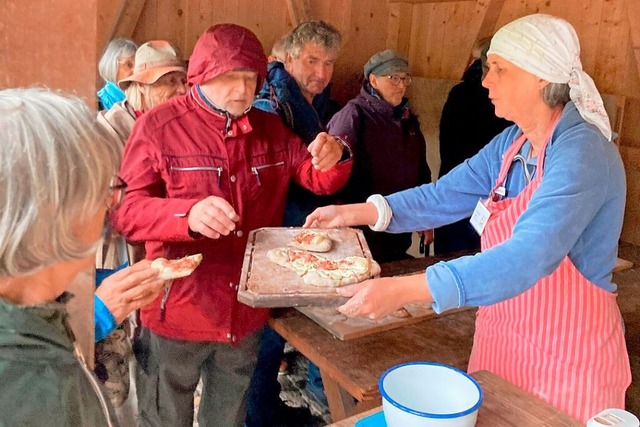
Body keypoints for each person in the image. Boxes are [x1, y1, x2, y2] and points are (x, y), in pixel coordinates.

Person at [304, 14, 631, 423]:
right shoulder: (514, 143)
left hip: (566, 358)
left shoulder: (582, 153)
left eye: (498, 70)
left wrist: (404, 290)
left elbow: (527, 257)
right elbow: (443, 196)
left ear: (541, 78)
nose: (485, 81)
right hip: (504, 341)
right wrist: (357, 212)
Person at [110, 23, 351, 427]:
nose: (240, 89)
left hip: (244, 312)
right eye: (227, 77)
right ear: (200, 76)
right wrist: (187, 215)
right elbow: (126, 212)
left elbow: (315, 176)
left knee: (227, 418)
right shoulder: (158, 127)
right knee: (164, 417)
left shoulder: (270, 129)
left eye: (248, 77)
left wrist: (336, 155)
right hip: (179, 310)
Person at [0, 87, 161, 425]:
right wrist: (99, 315)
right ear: (54, 214)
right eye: (104, 190)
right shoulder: (39, 390)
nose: (109, 206)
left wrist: (102, 301)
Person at [249, 21, 343, 425]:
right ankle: (257, 416)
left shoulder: (317, 105)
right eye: (310, 60)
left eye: (328, 62)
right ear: (287, 59)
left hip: (305, 230)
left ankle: (267, 407)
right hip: (275, 232)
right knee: (266, 332)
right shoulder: (271, 105)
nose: (320, 71)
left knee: (283, 328)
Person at [94, 39, 188, 418]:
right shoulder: (105, 132)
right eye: (169, 82)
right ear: (139, 88)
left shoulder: (177, 124)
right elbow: (108, 207)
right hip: (114, 259)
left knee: (149, 354)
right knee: (112, 370)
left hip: (161, 255)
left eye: (183, 80)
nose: (180, 91)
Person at [327, 49, 432, 263]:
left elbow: (421, 170)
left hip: (398, 226)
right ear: (373, 80)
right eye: (394, 78)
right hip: (360, 233)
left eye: (405, 79)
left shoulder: (408, 120)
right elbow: (331, 172)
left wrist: (426, 216)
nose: (401, 85)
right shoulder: (353, 115)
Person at [434, 37, 511, 255]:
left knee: (449, 258)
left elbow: (447, 147)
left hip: (455, 183)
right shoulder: (502, 100)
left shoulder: (459, 93)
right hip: (491, 193)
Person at [97, 38, 138, 110]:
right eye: (129, 64)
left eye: (137, 64)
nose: (135, 70)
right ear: (112, 66)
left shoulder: (143, 98)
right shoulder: (99, 104)